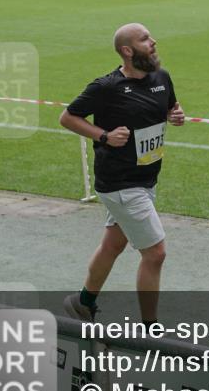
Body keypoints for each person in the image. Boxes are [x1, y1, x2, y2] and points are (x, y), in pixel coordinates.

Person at [60, 23, 184, 325]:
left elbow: (171, 106)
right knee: (155, 253)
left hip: (146, 179)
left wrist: (175, 115)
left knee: (113, 244)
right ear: (127, 51)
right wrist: (104, 136)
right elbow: (68, 117)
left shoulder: (161, 77)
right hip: (120, 183)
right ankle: (150, 330)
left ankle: (83, 303)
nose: (153, 42)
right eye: (145, 39)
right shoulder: (107, 87)